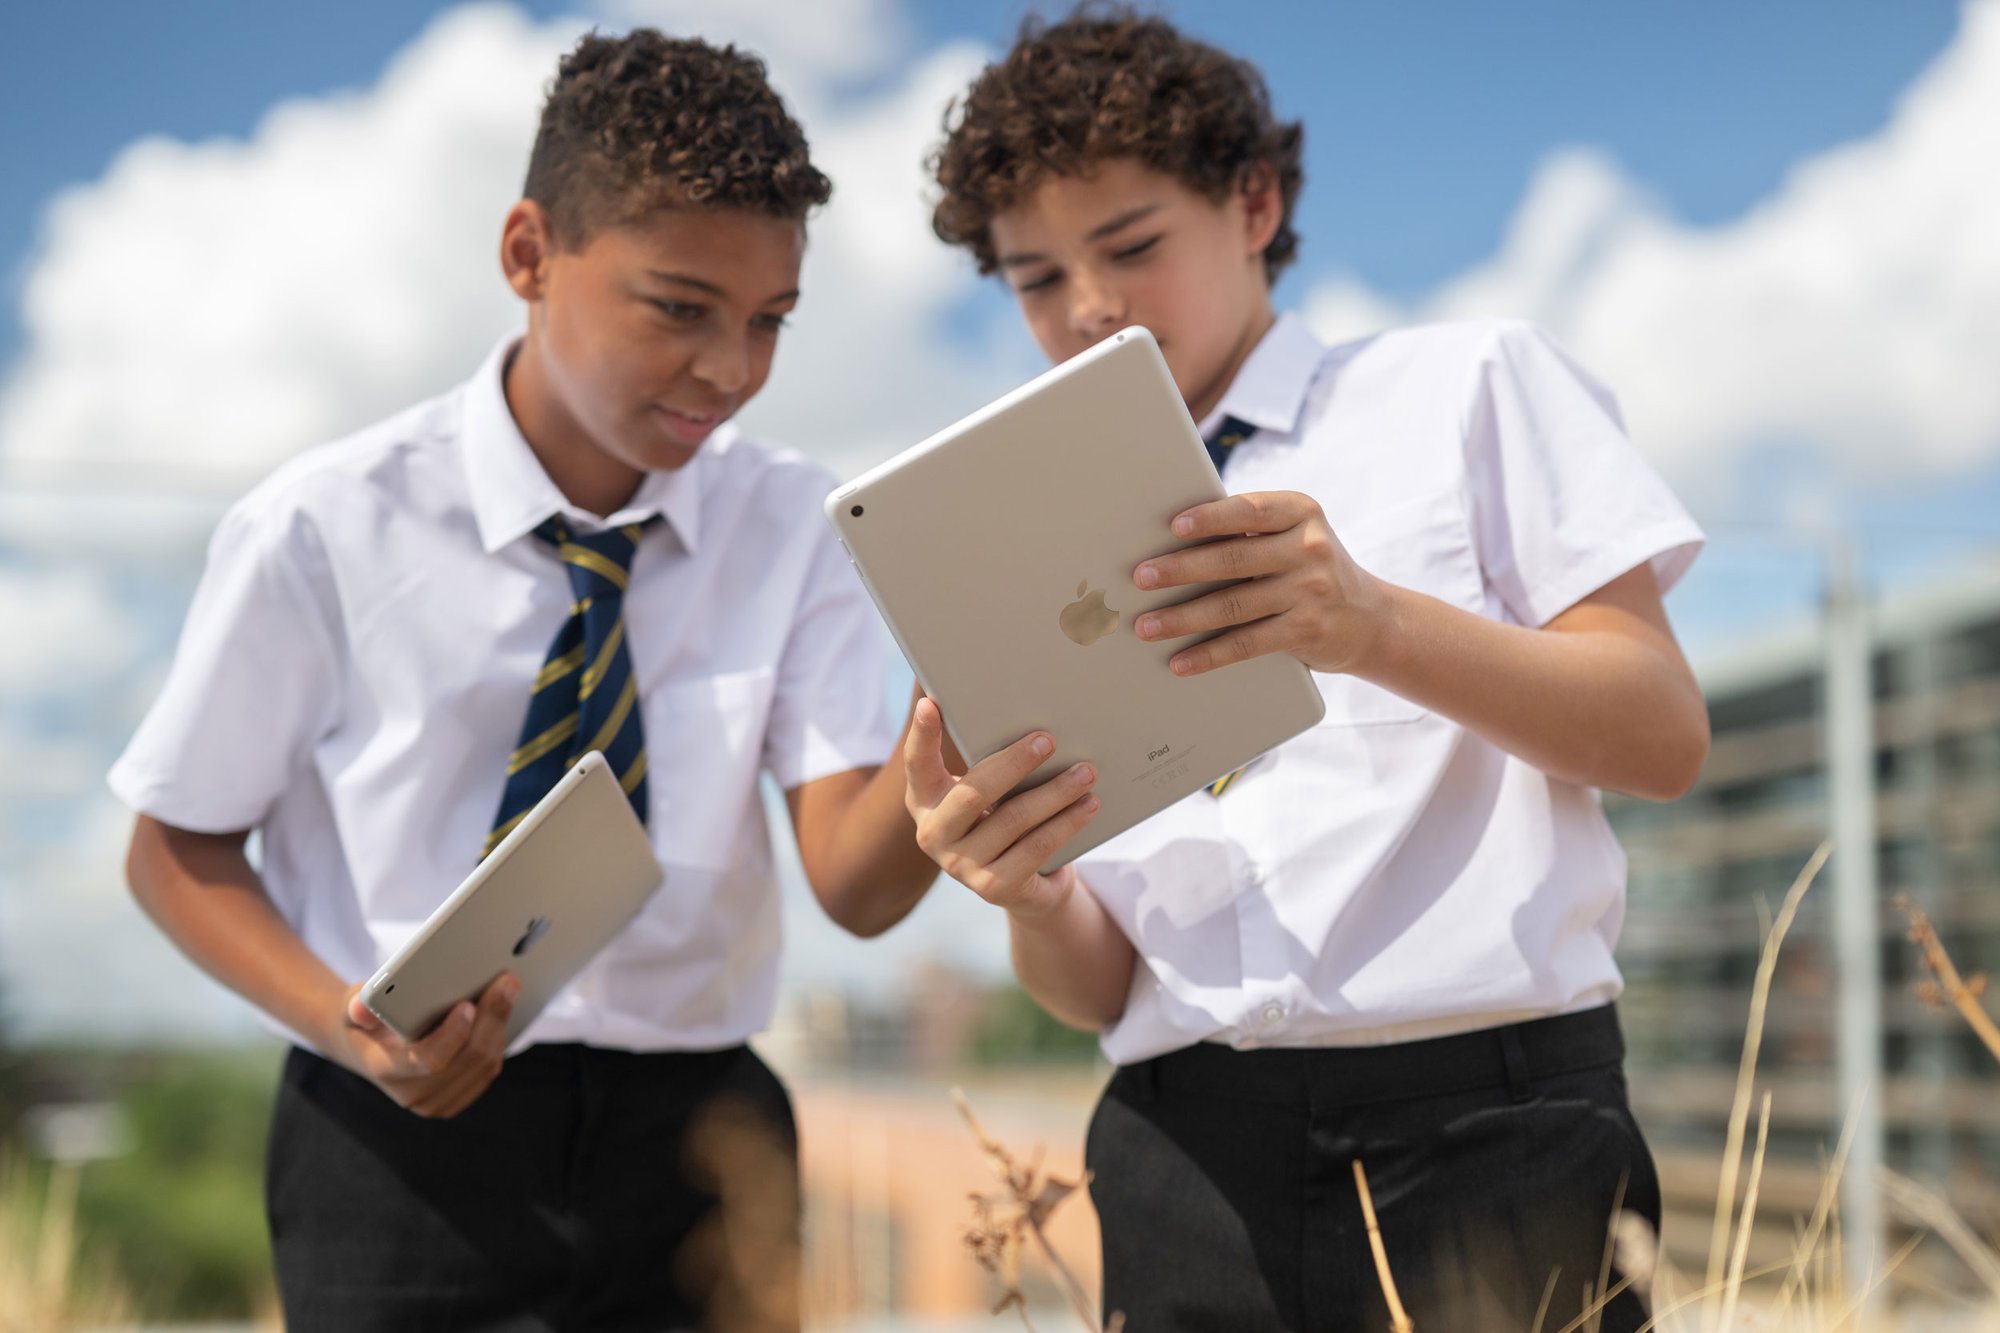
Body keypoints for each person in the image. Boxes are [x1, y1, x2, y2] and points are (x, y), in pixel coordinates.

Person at [109, 29, 940, 1332]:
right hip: (398, 1140)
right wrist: (351, 1026)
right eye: (680, 307)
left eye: (770, 321)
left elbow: (858, 881)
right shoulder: (322, 528)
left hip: (703, 1137)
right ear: (529, 255)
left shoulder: (798, 524)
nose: (733, 370)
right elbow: (173, 851)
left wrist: (974, 714)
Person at [903, 9, 1711, 1330]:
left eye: (1132, 246)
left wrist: (1375, 627)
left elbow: (1664, 735)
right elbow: (1098, 986)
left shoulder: (1468, 386)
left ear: (1254, 203)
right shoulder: (1019, 538)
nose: (1088, 306)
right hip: (1181, 1155)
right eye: (1035, 277)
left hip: (1496, 1124)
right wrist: (1029, 890)